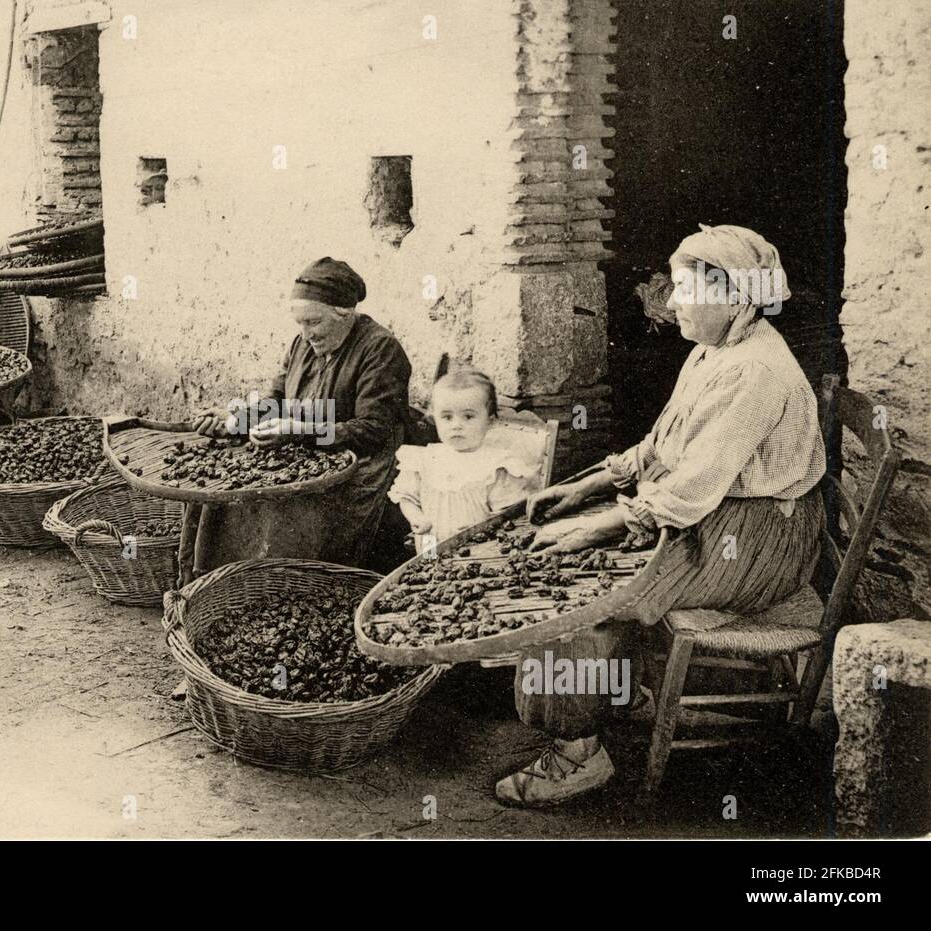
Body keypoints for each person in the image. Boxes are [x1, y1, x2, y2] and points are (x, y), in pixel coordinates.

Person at [493, 224, 827, 807]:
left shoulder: (754, 371)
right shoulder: (716, 350)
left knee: (584, 594)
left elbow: (690, 488)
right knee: (582, 555)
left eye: (682, 289)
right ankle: (613, 694)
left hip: (759, 540)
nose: (670, 303)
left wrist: (597, 525)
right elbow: (663, 446)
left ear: (731, 295)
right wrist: (592, 485)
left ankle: (578, 755)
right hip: (725, 518)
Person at [185, 257, 411, 575]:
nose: (306, 334)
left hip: (358, 462)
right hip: (301, 451)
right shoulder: (302, 345)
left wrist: (301, 431)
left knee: (287, 506)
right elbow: (275, 400)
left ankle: (285, 586)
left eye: (314, 323)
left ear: (344, 314)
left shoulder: (380, 349)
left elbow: (373, 430)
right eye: (300, 324)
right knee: (223, 492)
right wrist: (234, 421)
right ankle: (224, 583)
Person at [388, 368, 545, 554]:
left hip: (478, 549)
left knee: (466, 576)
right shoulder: (424, 459)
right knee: (429, 576)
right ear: (434, 419)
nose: (456, 425)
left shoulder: (496, 464)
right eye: (446, 417)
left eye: (468, 416)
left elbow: (509, 517)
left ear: (490, 421)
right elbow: (407, 497)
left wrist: (480, 528)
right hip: (429, 544)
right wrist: (417, 518)